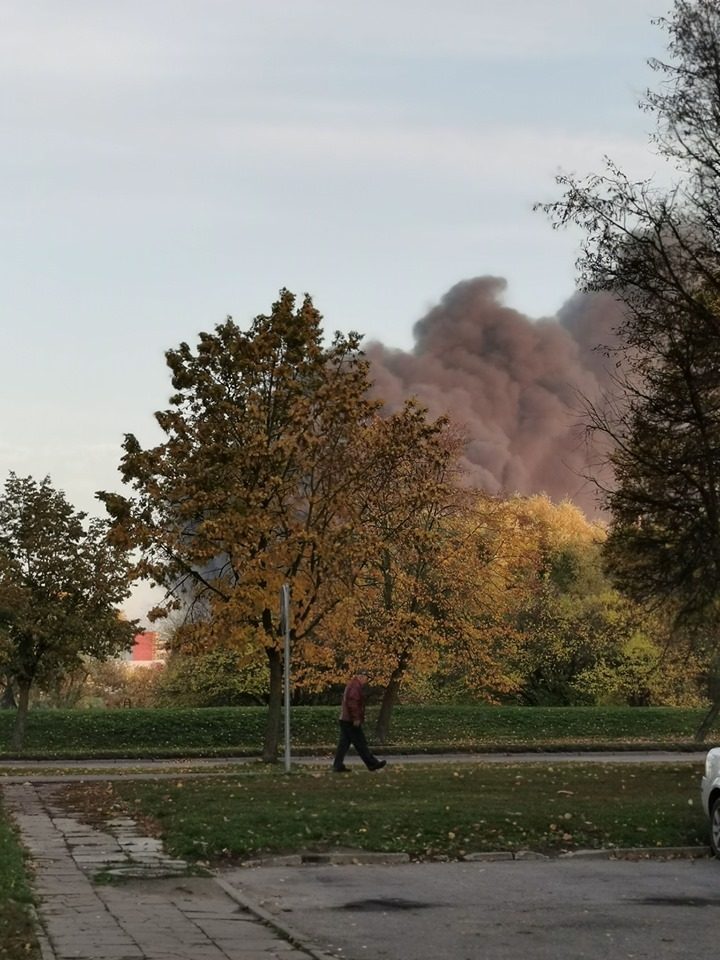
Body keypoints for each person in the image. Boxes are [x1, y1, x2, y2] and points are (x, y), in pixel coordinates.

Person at [332, 671, 387, 773]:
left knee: (343, 745)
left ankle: (337, 765)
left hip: (345, 719)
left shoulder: (352, 685)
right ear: (361, 676)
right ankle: (372, 764)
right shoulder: (355, 686)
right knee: (361, 743)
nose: (366, 681)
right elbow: (353, 703)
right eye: (366, 678)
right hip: (350, 720)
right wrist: (356, 718)